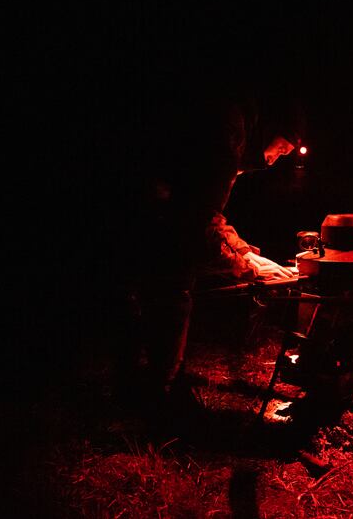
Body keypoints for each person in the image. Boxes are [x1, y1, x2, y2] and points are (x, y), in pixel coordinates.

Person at [111, 88, 300, 415]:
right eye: (281, 149)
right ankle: (155, 398)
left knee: (152, 292)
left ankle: (137, 387)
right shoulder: (225, 135)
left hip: (155, 210)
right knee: (168, 292)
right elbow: (199, 225)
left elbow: (207, 213)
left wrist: (246, 252)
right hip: (144, 212)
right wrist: (248, 267)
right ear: (269, 130)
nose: (276, 159)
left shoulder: (232, 131)